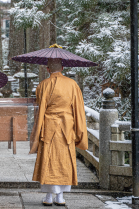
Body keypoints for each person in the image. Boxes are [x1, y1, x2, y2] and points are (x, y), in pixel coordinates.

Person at [29, 58, 88, 206]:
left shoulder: (43, 85)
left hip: (48, 127)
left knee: (48, 160)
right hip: (66, 127)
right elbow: (79, 110)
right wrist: (80, 132)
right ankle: (60, 196)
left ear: (48, 69)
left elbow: (39, 108)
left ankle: (49, 196)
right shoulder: (72, 84)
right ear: (62, 68)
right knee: (63, 160)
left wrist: (36, 132)